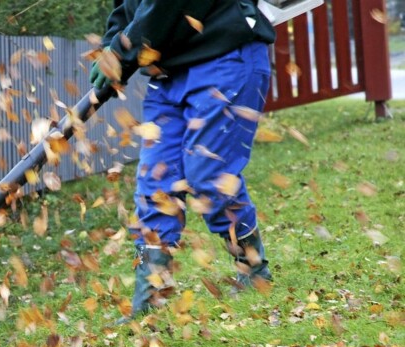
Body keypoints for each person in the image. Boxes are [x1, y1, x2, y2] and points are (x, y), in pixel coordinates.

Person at [89, 0, 277, 319]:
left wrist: (121, 53)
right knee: (155, 184)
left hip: (225, 55)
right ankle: (150, 294)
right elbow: (129, 6)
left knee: (210, 178)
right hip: (167, 75)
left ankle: (254, 267)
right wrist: (111, 43)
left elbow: (166, 7)